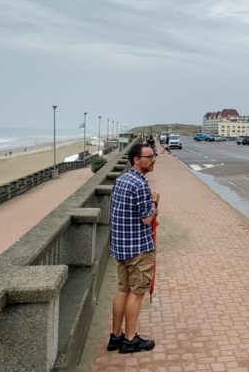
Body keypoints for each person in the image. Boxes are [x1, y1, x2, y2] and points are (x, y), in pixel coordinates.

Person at [106, 143, 159, 354]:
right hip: (139, 248)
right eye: (149, 156)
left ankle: (116, 336)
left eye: (153, 156)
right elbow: (147, 219)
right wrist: (155, 202)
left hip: (121, 247)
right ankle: (130, 340)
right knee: (136, 294)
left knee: (123, 290)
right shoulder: (140, 184)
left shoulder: (122, 180)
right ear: (137, 159)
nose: (153, 159)